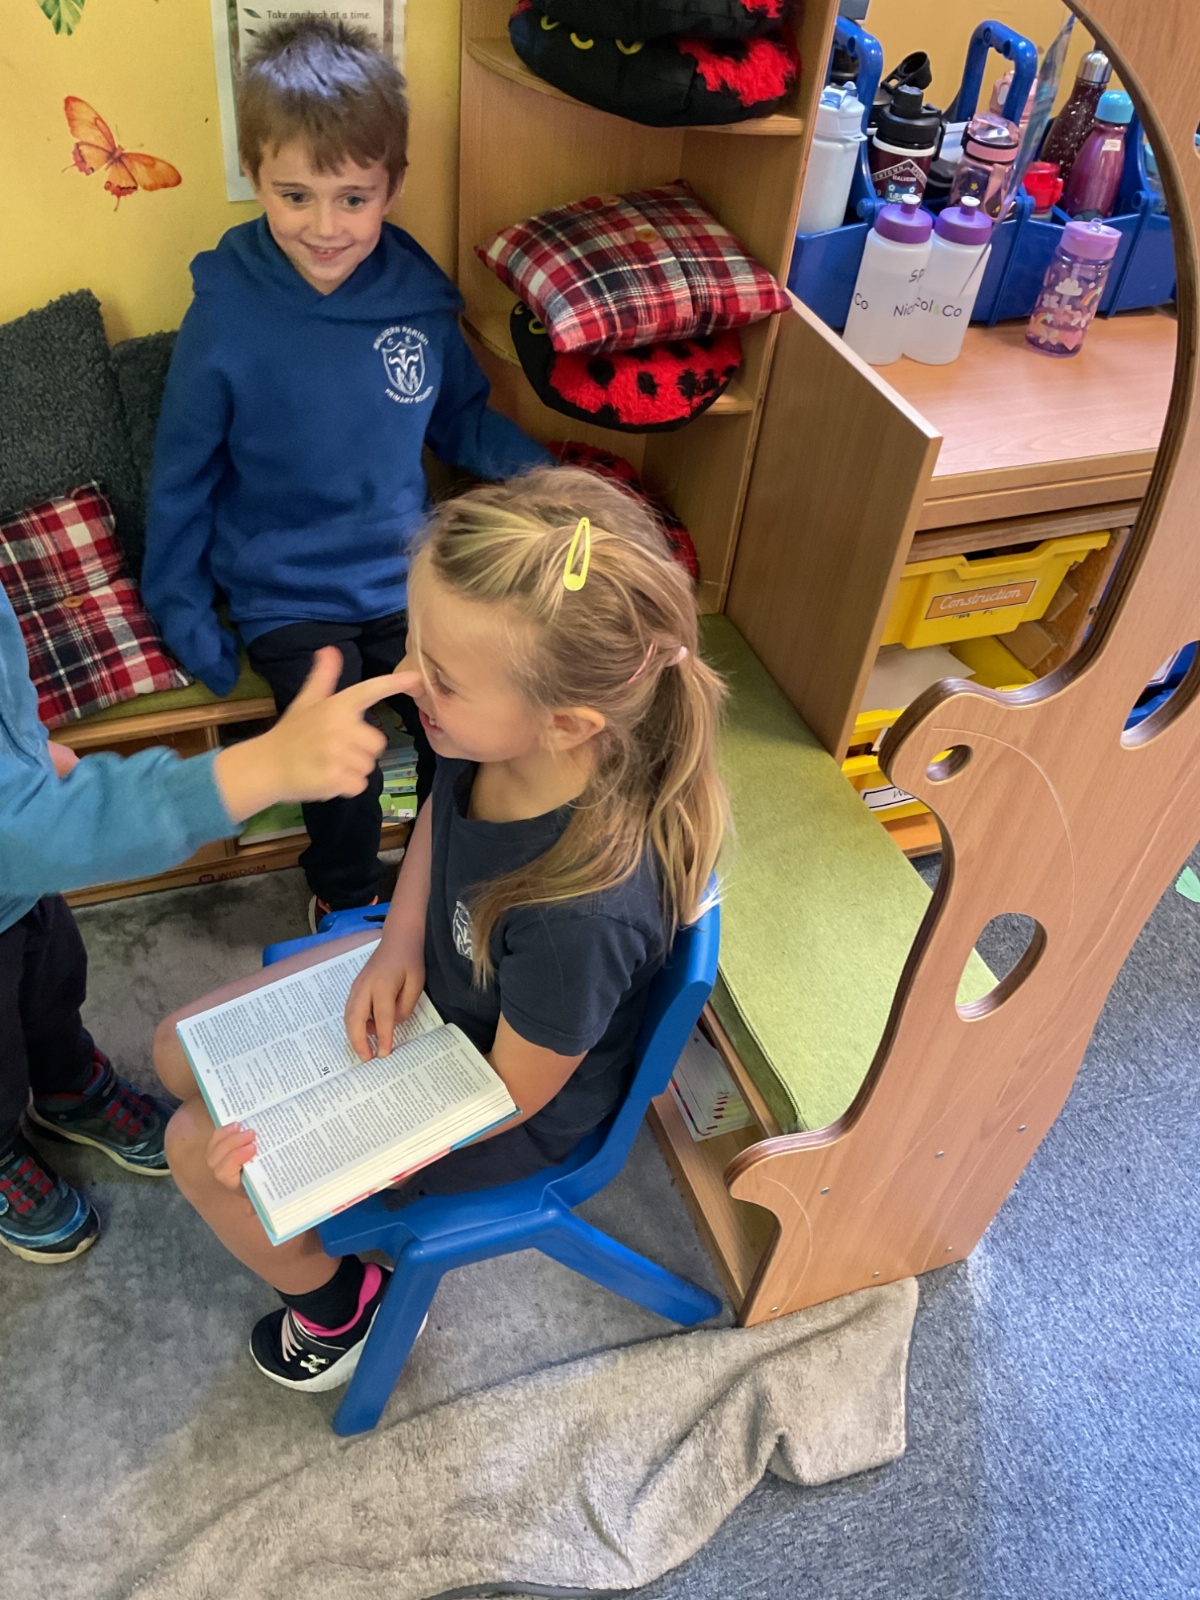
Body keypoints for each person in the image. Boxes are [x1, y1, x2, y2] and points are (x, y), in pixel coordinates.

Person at [154, 466, 729, 1391]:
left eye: (442, 677)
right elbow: (440, 819)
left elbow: (512, 1094)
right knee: (174, 1053)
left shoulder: (581, 912)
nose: (407, 680)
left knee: (195, 1150)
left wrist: (328, 1145)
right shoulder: (482, 741)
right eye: (415, 643)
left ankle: (338, 1305)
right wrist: (398, 938)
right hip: (439, 986)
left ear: (565, 722)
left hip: (486, 1100)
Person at [141, 18, 551, 930]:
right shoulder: (226, 313)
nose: (324, 228)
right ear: (255, 175)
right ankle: (346, 897)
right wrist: (179, 607)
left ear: (392, 187)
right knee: (341, 762)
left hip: (409, 573)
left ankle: (457, 881)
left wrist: (549, 481)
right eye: (295, 196)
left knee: (471, 731)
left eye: (353, 199)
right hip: (286, 592)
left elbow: (461, 421)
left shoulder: (416, 296)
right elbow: (181, 476)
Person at [0, 566, 416, 1264]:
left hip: (21, 890)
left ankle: (68, 1084)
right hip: (17, 856)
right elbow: (34, 834)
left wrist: (25, 753)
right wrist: (261, 769)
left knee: (51, 990)